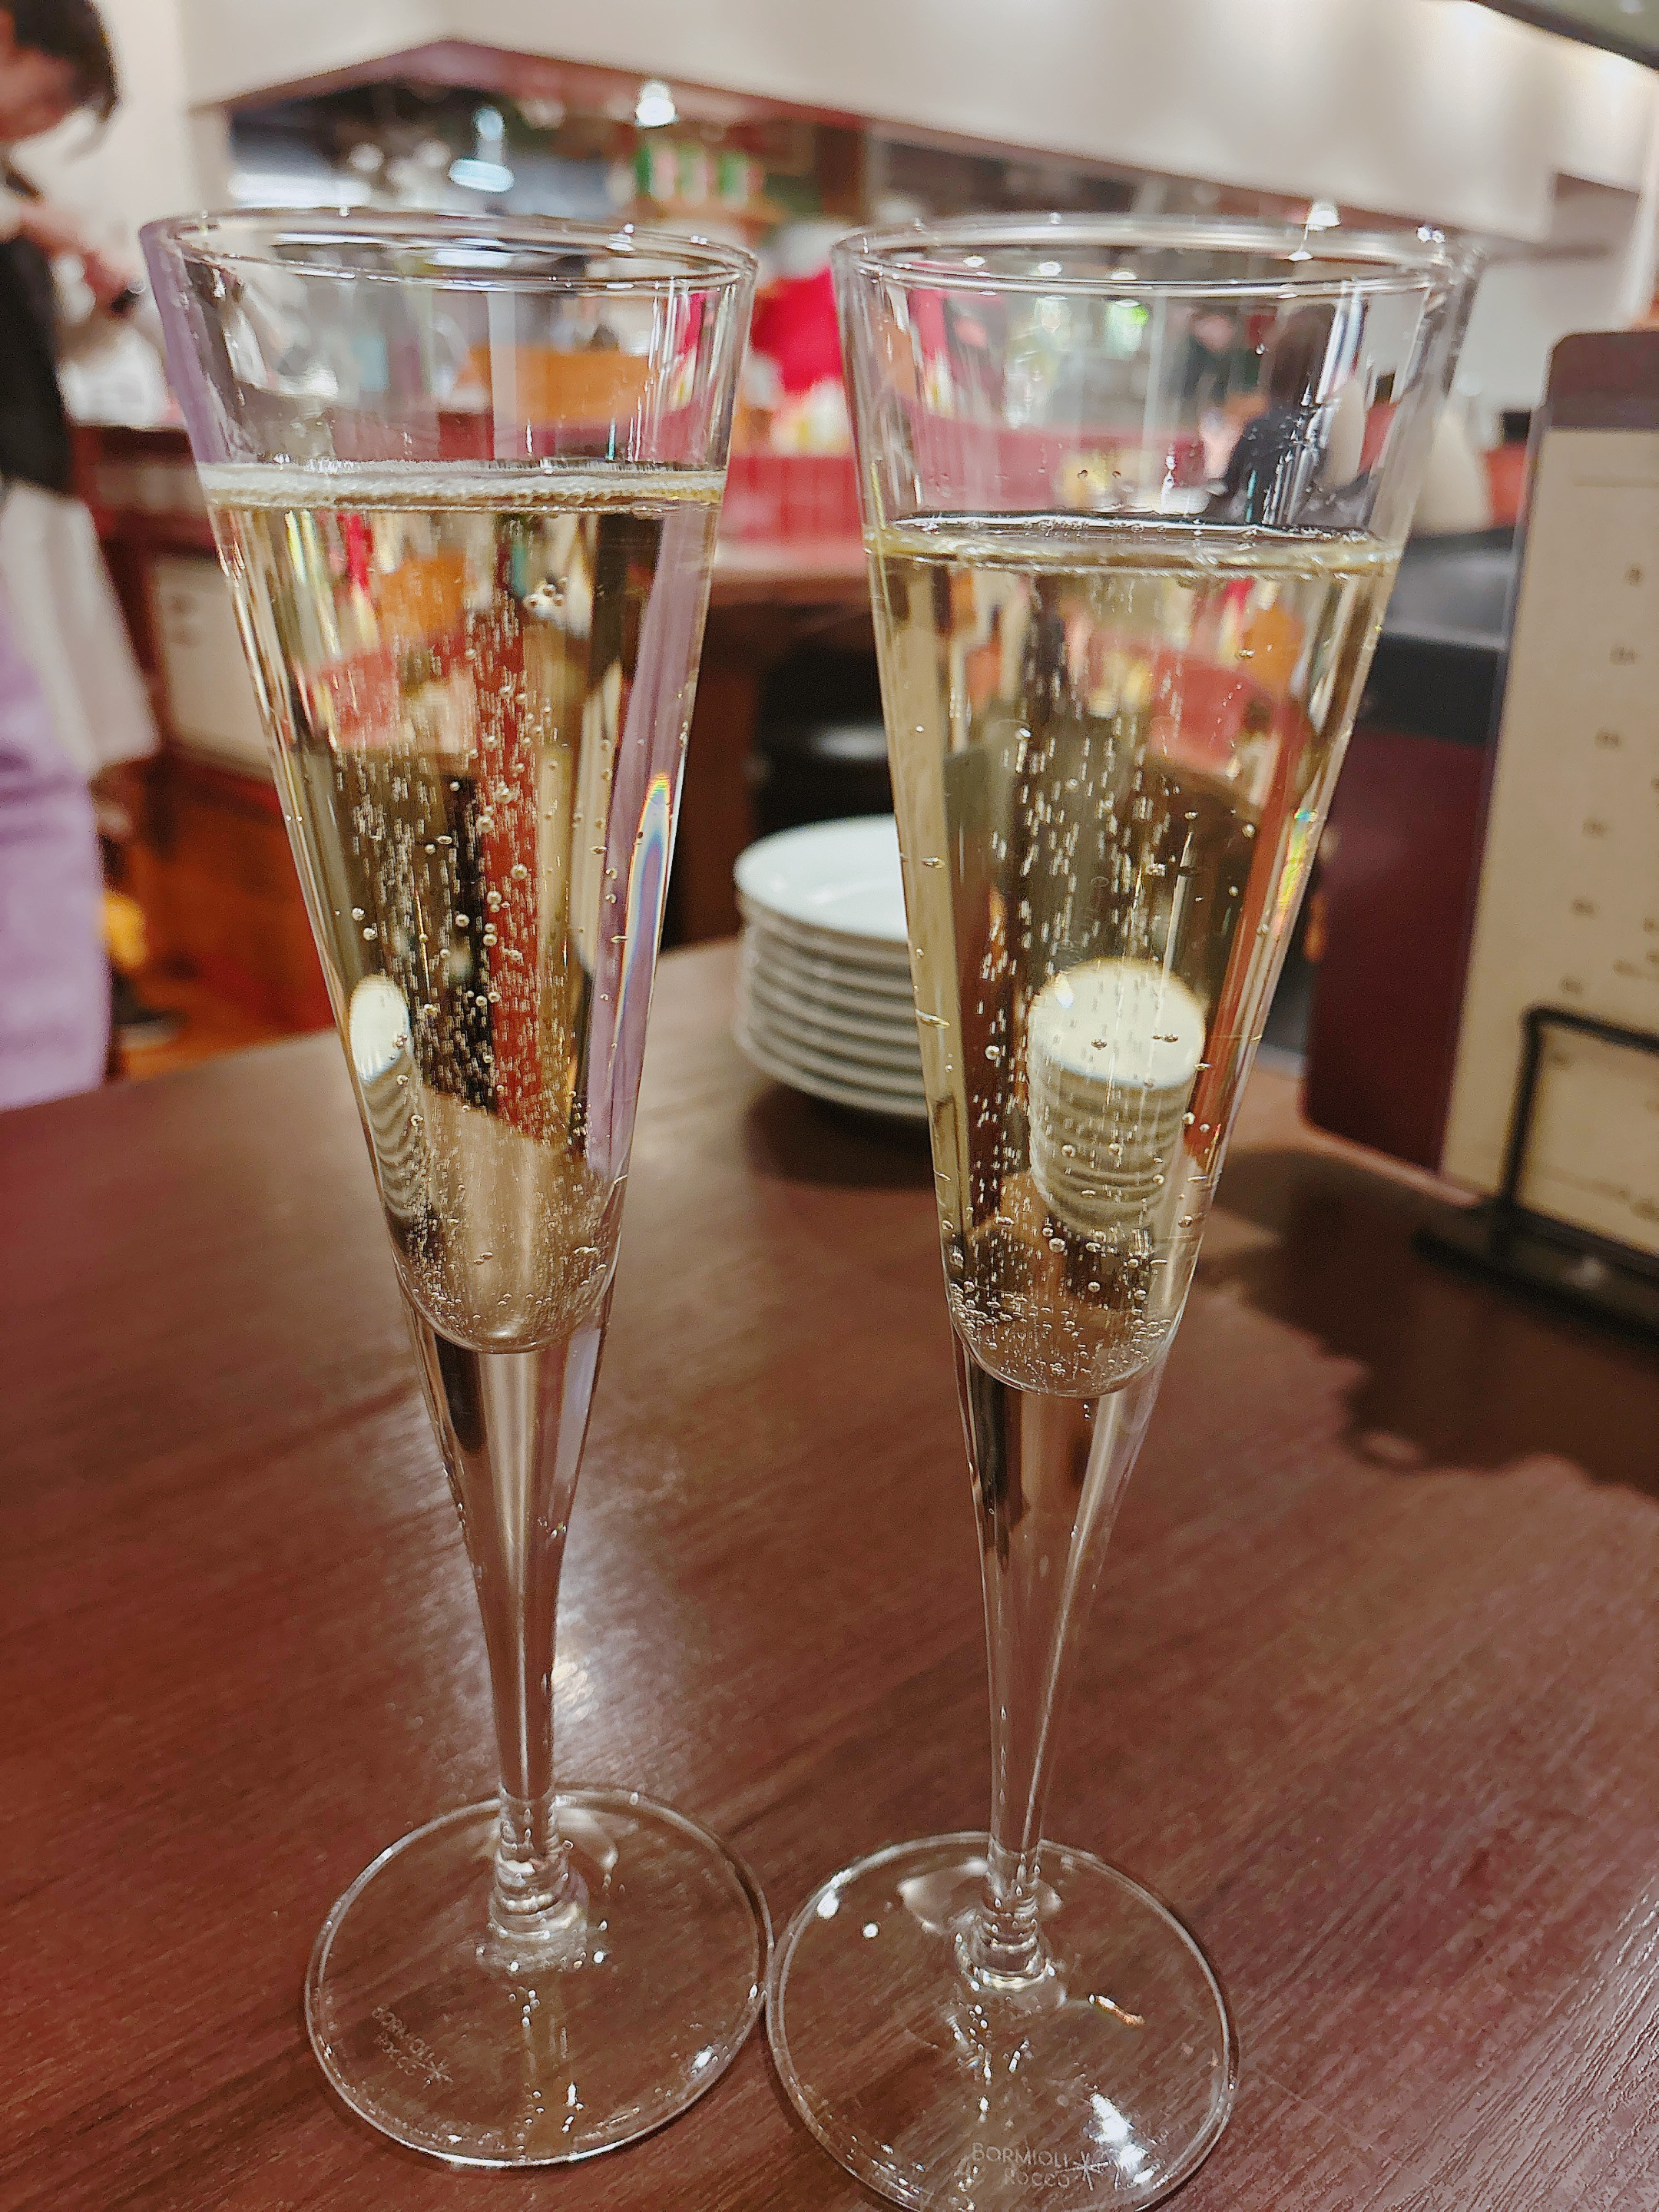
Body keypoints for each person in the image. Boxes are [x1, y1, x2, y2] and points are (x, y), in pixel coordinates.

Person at [0, 0, 152, 1106]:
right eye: (48, 94)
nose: (45, 123)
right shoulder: (21, 205)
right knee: (35, 749)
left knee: (66, 751)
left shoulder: (19, 193)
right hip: (10, 494)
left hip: (37, 487)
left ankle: (83, 982)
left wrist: (97, 293)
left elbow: (60, 350)